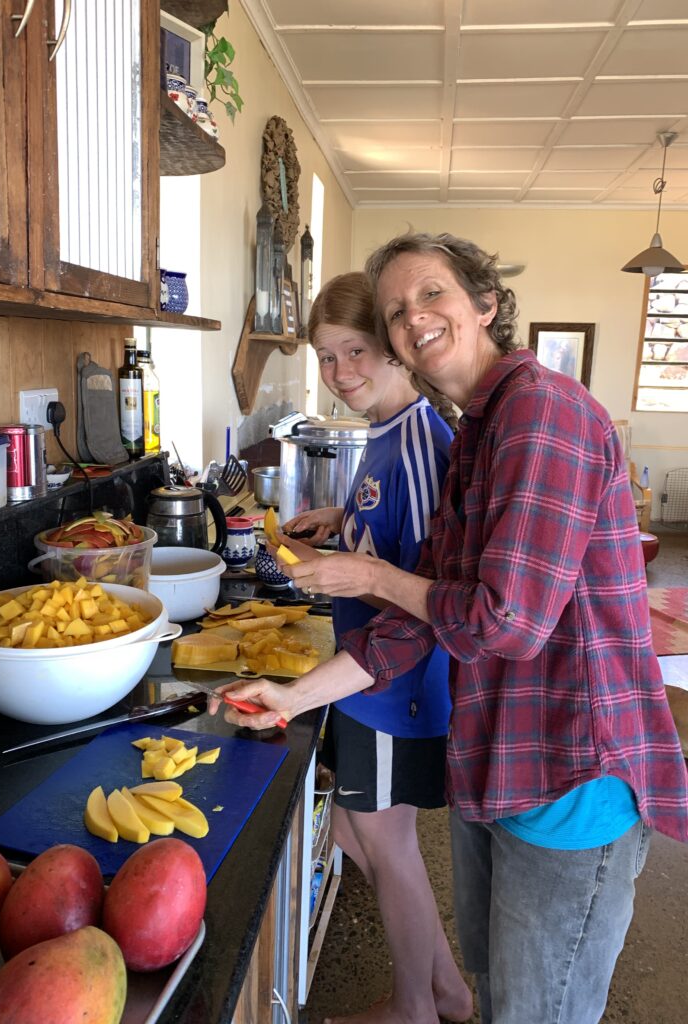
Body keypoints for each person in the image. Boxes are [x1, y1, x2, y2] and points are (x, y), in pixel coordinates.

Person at [211, 232, 688, 1024]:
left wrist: (366, 576)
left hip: (573, 782)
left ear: (486, 303)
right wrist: (292, 698)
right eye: (398, 310)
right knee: (501, 1000)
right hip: (501, 766)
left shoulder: (541, 414)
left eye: (432, 294)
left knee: (539, 1010)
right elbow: (414, 624)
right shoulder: (476, 433)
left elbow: (506, 620)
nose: (414, 318)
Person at [281, 271, 471, 1024]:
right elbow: (392, 532)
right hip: (367, 680)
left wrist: (301, 694)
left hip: (396, 687)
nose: (340, 373)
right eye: (327, 358)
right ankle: (447, 991)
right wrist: (341, 518)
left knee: (388, 848)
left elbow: (424, 590)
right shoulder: (389, 430)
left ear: (396, 348)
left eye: (355, 350)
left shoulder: (422, 440)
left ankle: (414, 1007)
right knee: (361, 833)